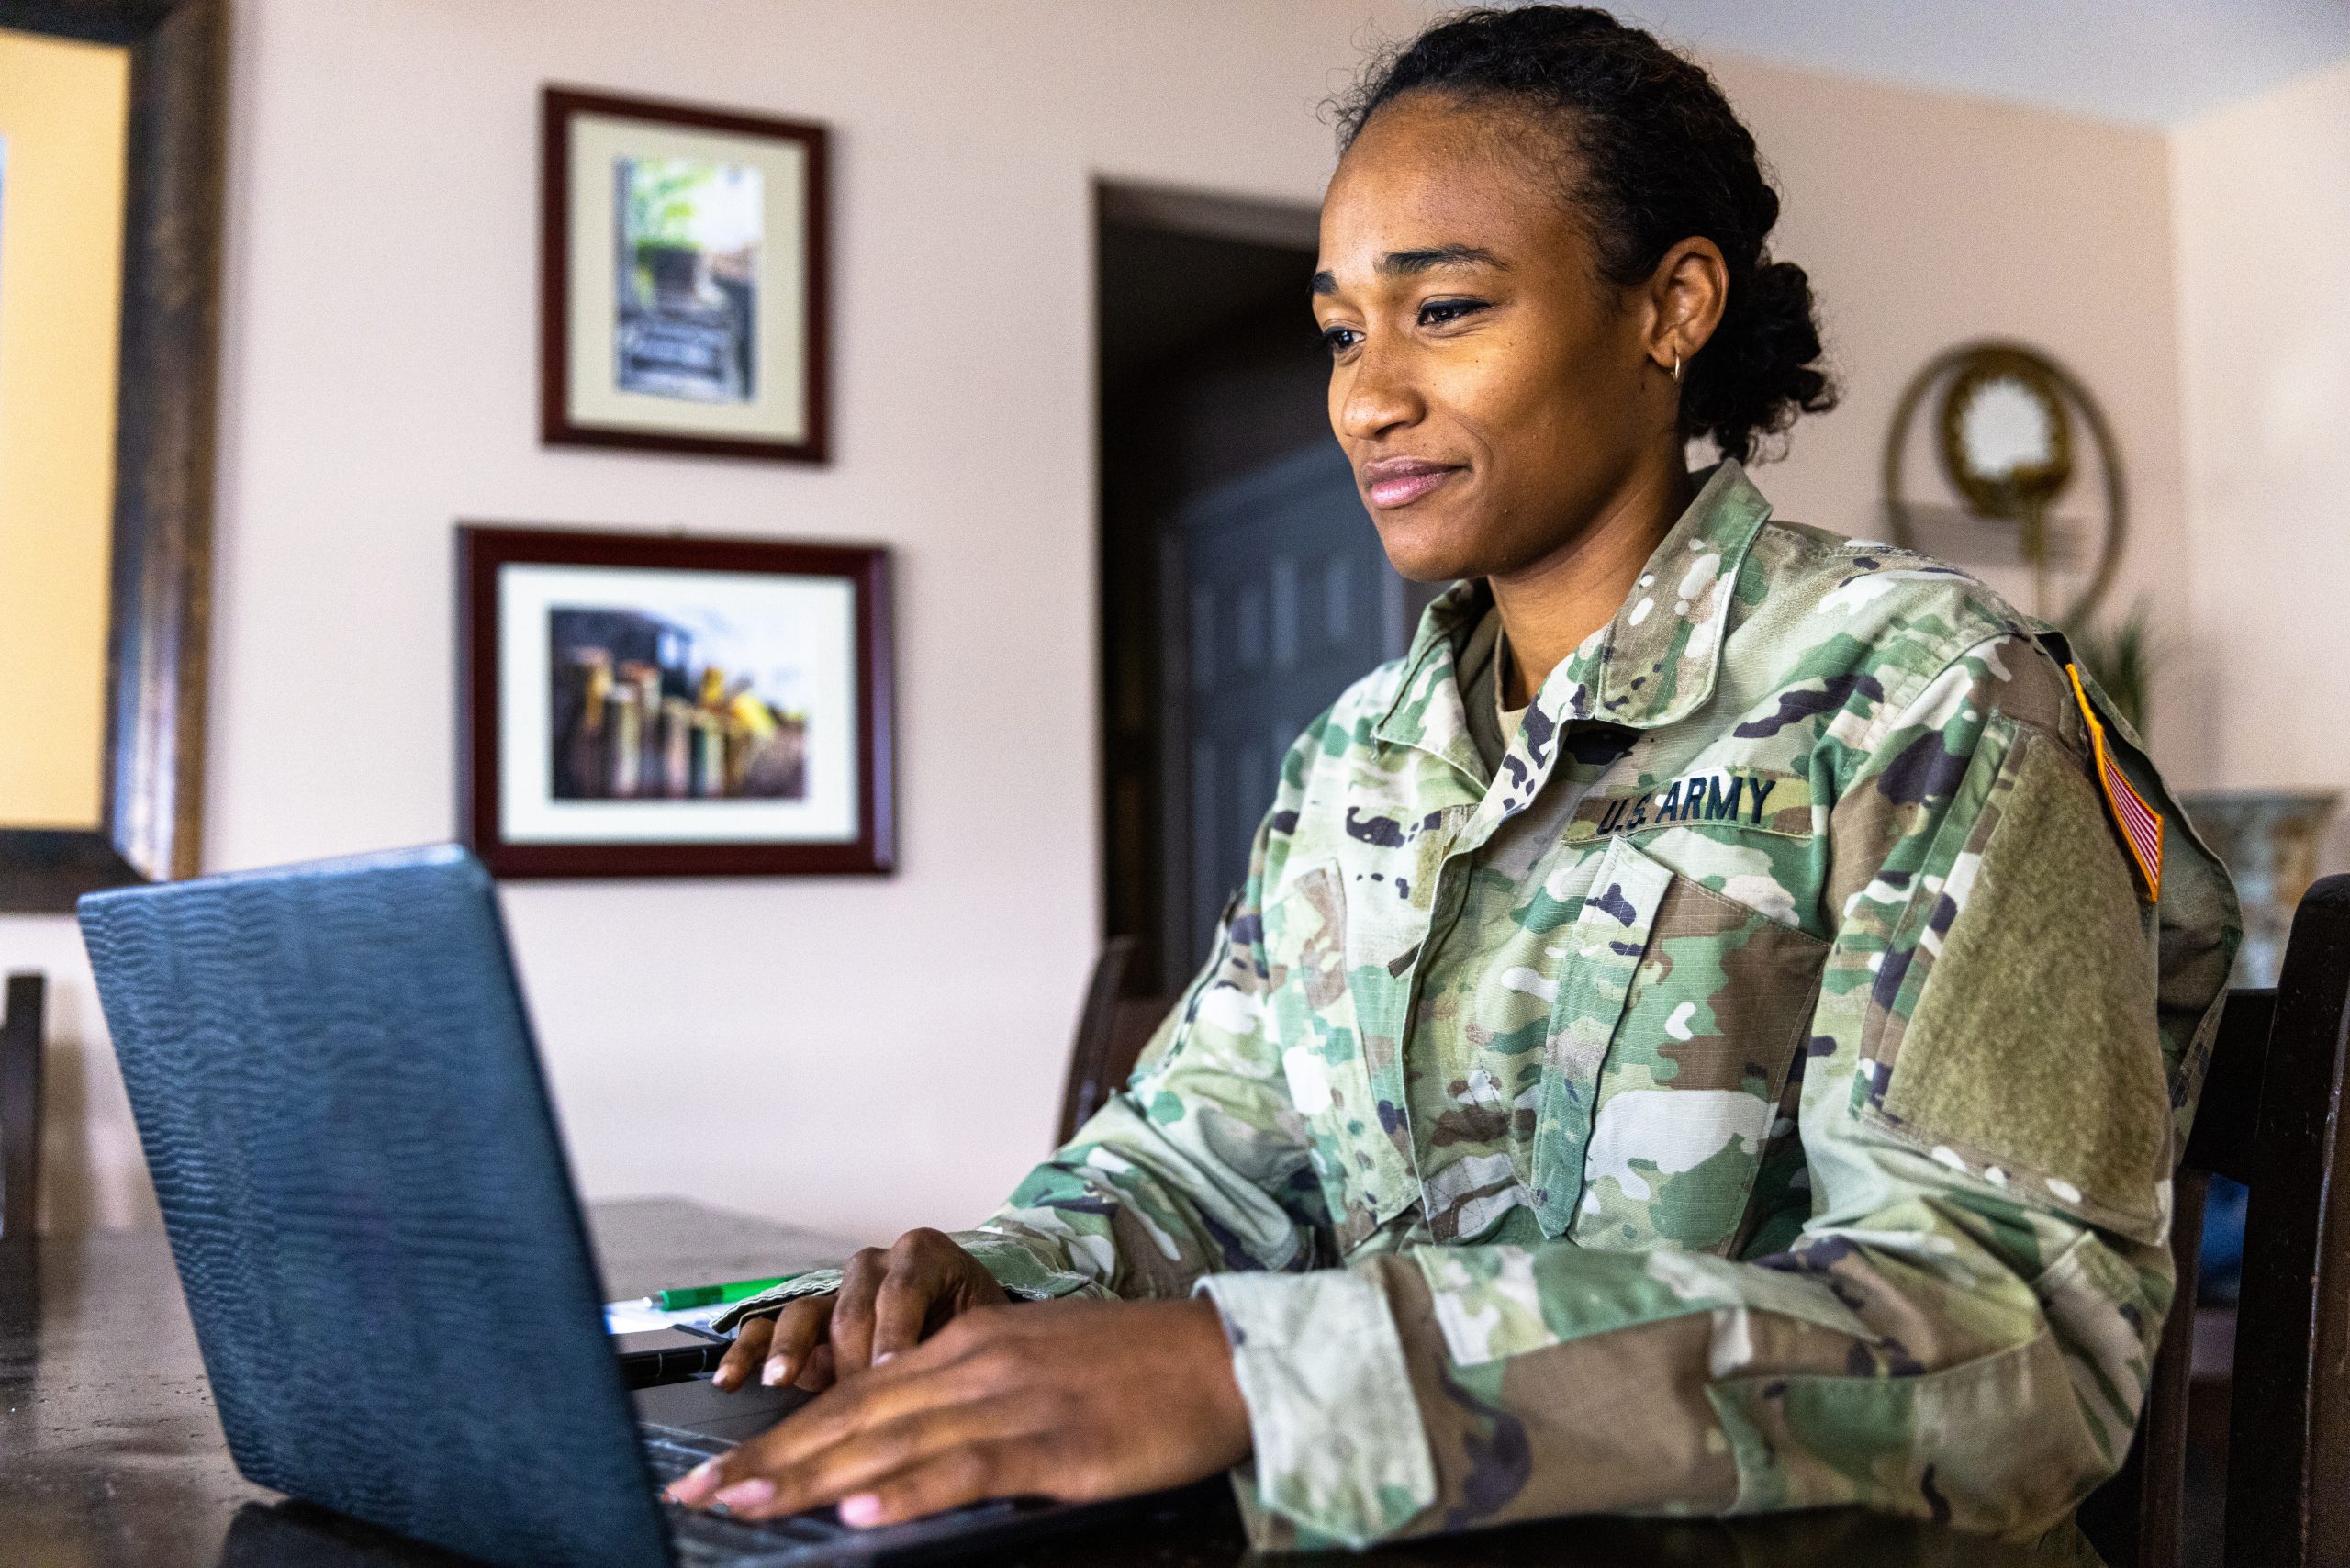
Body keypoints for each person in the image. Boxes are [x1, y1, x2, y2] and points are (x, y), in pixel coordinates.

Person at [667, 6, 2239, 1550]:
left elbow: (2009, 1346)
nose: (1366, 396)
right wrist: (993, 1277)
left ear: (1671, 306)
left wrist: (1278, 1378)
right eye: (1344, 330)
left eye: (1448, 311)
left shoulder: (1933, 697)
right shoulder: (1364, 755)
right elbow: (1196, 1163)